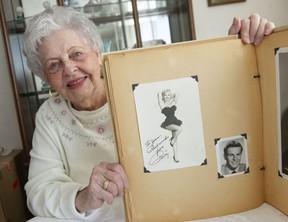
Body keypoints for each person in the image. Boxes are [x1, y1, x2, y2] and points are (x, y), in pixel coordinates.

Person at [22, 5, 275, 221]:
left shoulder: (143, 84)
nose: (69, 69)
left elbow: (212, 105)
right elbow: (39, 190)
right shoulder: (49, 116)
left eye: (76, 53)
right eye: (54, 65)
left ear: (98, 55)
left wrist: (234, 51)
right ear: (45, 78)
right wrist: (84, 197)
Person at [158, 89, 182, 163]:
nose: (167, 96)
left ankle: (175, 156)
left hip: (175, 121)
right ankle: (172, 140)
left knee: (175, 139)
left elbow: (177, 93)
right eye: (166, 95)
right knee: (179, 129)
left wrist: (171, 96)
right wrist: (162, 93)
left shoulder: (173, 103)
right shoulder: (162, 104)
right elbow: (158, 94)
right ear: (163, 97)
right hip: (168, 123)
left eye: (169, 95)